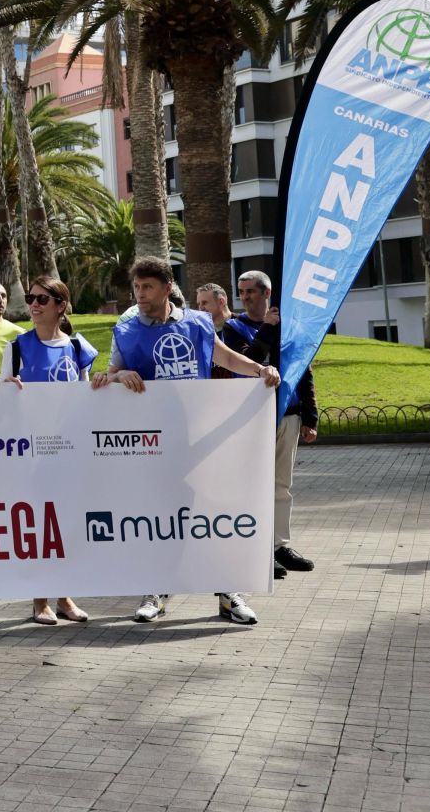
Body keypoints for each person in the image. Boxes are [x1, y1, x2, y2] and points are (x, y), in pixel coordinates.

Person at [92, 257, 279, 626]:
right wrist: (119, 375)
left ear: (166, 287)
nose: (139, 294)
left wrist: (260, 370)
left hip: (202, 437)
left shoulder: (198, 323)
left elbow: (223, 356)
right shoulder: (126, 330)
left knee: (214, 516)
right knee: (160, 516)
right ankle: (156, 591)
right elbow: (108, 376)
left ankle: (229, 593)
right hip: (155, 444)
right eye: (136, 288)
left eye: (147, 287)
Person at [0, 276, 97, 626]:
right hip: (31, 451)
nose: (33, 304)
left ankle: (63, 596)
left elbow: (86, 398)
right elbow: (4, 393)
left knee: (65, 523)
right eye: (31, 298)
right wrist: (3, 385)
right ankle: (39, 600)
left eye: (42, 299)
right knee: (39, 524)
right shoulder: (17, 347)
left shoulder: (79, 348)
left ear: (60, 306)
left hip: (67, 450)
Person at [220, 271, 318, 579]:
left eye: (250, 291)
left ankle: (278, 546)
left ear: (267, 293)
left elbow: (304, 370)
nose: (245, 296)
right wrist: (266, 329)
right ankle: (257, 548)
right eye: (242, 291)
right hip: (254, 416)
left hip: (288, 414)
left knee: (281, 485)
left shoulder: (291, 328)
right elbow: (246, 363)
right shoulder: (234, 328)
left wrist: (310, 415)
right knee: (255, 485)